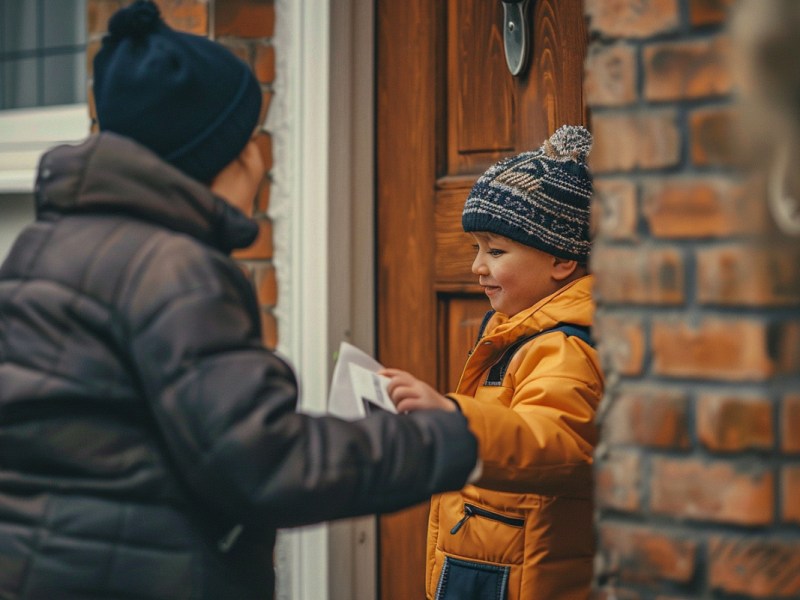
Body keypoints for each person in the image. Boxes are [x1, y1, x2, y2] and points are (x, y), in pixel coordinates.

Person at [0, 2, 477, 599]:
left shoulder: (41, 249)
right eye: (253, 137)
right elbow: (265, 464)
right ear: (217, 154)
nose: (262, 158)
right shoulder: (175, 270)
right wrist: (449, 439)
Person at [382, 125, 603, 600]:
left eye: (496, 251)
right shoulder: (512, 331)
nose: (477, 266)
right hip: (492, 563)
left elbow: (559, 443)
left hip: (524, 578)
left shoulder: (562, 347)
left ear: (562, 260)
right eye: (476, 248)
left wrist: (455, 419)